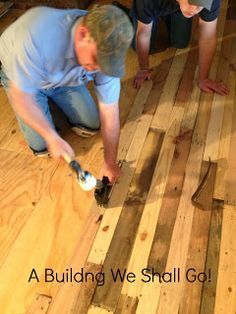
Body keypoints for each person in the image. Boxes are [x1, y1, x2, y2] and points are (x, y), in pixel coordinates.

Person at [0, 5, 134, 183]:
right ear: (82, 34)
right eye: (96, 60)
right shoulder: (37, 36)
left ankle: (52, 102)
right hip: (23, 81)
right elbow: (22, 98)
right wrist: (50, 136)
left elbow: (110, 112)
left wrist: (110, 162)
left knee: (93, 125)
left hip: (61, 78)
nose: (100, 69)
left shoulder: (104, 47)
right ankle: (45, 105)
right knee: (42, 147)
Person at [124, 0, 229, 95]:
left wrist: (203, 79)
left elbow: (208, 38)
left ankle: (167, 12)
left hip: (175, 4)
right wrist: (143, 69)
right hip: (150, 3)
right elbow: (143, 33)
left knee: (180, 42)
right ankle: (126, 12)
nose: (193, 9)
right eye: (191, 2)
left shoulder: (211, 1)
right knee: (141, 45)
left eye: (199, 5)